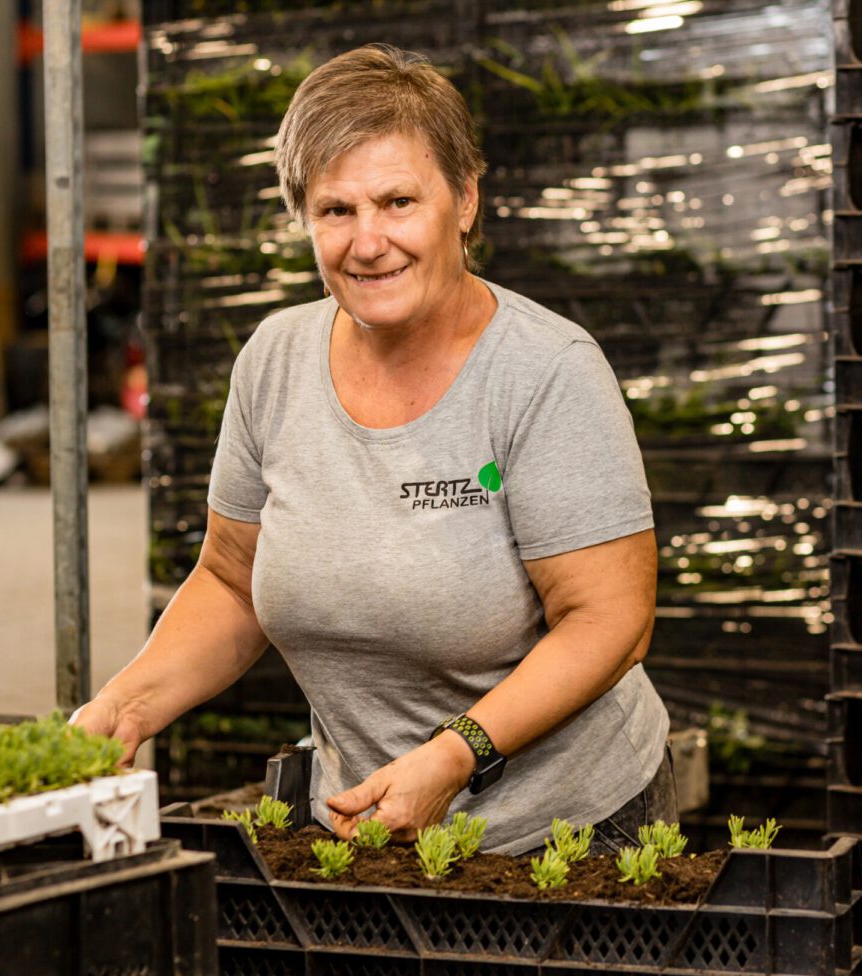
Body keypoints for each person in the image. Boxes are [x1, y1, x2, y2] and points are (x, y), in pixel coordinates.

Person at [73, 43, 676, 855]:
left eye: (398, 202)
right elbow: (231, 579)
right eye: (336, 210)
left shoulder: (545, 372)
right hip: (361, 818)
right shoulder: (275, 360)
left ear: (463, 200)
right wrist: (127, 705)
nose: (369, 241)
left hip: (564, 830)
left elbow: (611, 620)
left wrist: (455, 756)